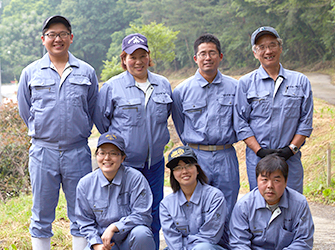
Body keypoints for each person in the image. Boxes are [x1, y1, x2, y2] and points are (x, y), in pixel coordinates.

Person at [17, 15, 99, 249]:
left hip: (77, 152)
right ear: (43, 39)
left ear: (71, 38)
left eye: (63, 34)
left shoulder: (87, 71)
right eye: (51, 35)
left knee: (81, 211)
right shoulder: (30, 73)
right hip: (43, 152)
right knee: (41, 213)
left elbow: (92, 108)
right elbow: (26, 110)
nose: (57, 39)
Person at [93, 33, 172, 249]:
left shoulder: (162, 84)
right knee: (123, 216)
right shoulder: (112, 87)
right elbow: (102, 122)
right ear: (124, 59)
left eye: (142, 55)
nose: (138, 61)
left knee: (154, 215)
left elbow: (164, 118)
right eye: (132, 56)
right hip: (125, 166)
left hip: (154, 165)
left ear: (149, 57)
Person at [171, 33, 239, 247]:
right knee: (197, 207)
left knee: (228, 208)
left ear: (220, 56)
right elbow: (181, 125)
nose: (207, 57)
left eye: (212, 53)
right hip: (196, 157)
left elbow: (240, 120)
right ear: (195, 58)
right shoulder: (182, 91)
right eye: (202, 53)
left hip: (226, 153)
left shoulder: (235, 88)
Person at [234, 26, 313, 193]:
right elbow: (241, 122)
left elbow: (305, 122)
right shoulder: (246, 83)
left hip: (289, 160)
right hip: (258, 160)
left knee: (292, 206)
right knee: (260, 206)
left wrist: (290, 150)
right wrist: (260, 151)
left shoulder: (300, 81)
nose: (267, 51)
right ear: (255, 53)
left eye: (272, 45)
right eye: (261, 47)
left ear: (280, 47)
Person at [75, 132, 155, 250]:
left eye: (113, 153)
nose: (107, 158)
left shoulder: (135, 179)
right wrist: (97, 245)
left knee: (142, 234)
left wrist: (115, 227)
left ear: (122, 158)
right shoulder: (85, 184)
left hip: (130, 239)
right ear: (96, 155)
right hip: (103, 243)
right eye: (102, 153)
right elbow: (85, 221)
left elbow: (143, 215)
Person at [229, 155, 314, 249]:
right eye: (265, 180)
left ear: (286, 182)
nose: (270, 186)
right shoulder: (244, 206)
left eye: (276, 180)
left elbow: (303, 241)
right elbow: (239, 243)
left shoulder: (299, 204)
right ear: (257, 181)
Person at [160, 146, 227, 250]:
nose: (184, 171)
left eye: (188, 165)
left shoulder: (215, 197)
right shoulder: (166, 204)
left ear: (198, 169)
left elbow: (210, 236)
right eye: (178, 168)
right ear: (173, 174)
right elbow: (173, 241)